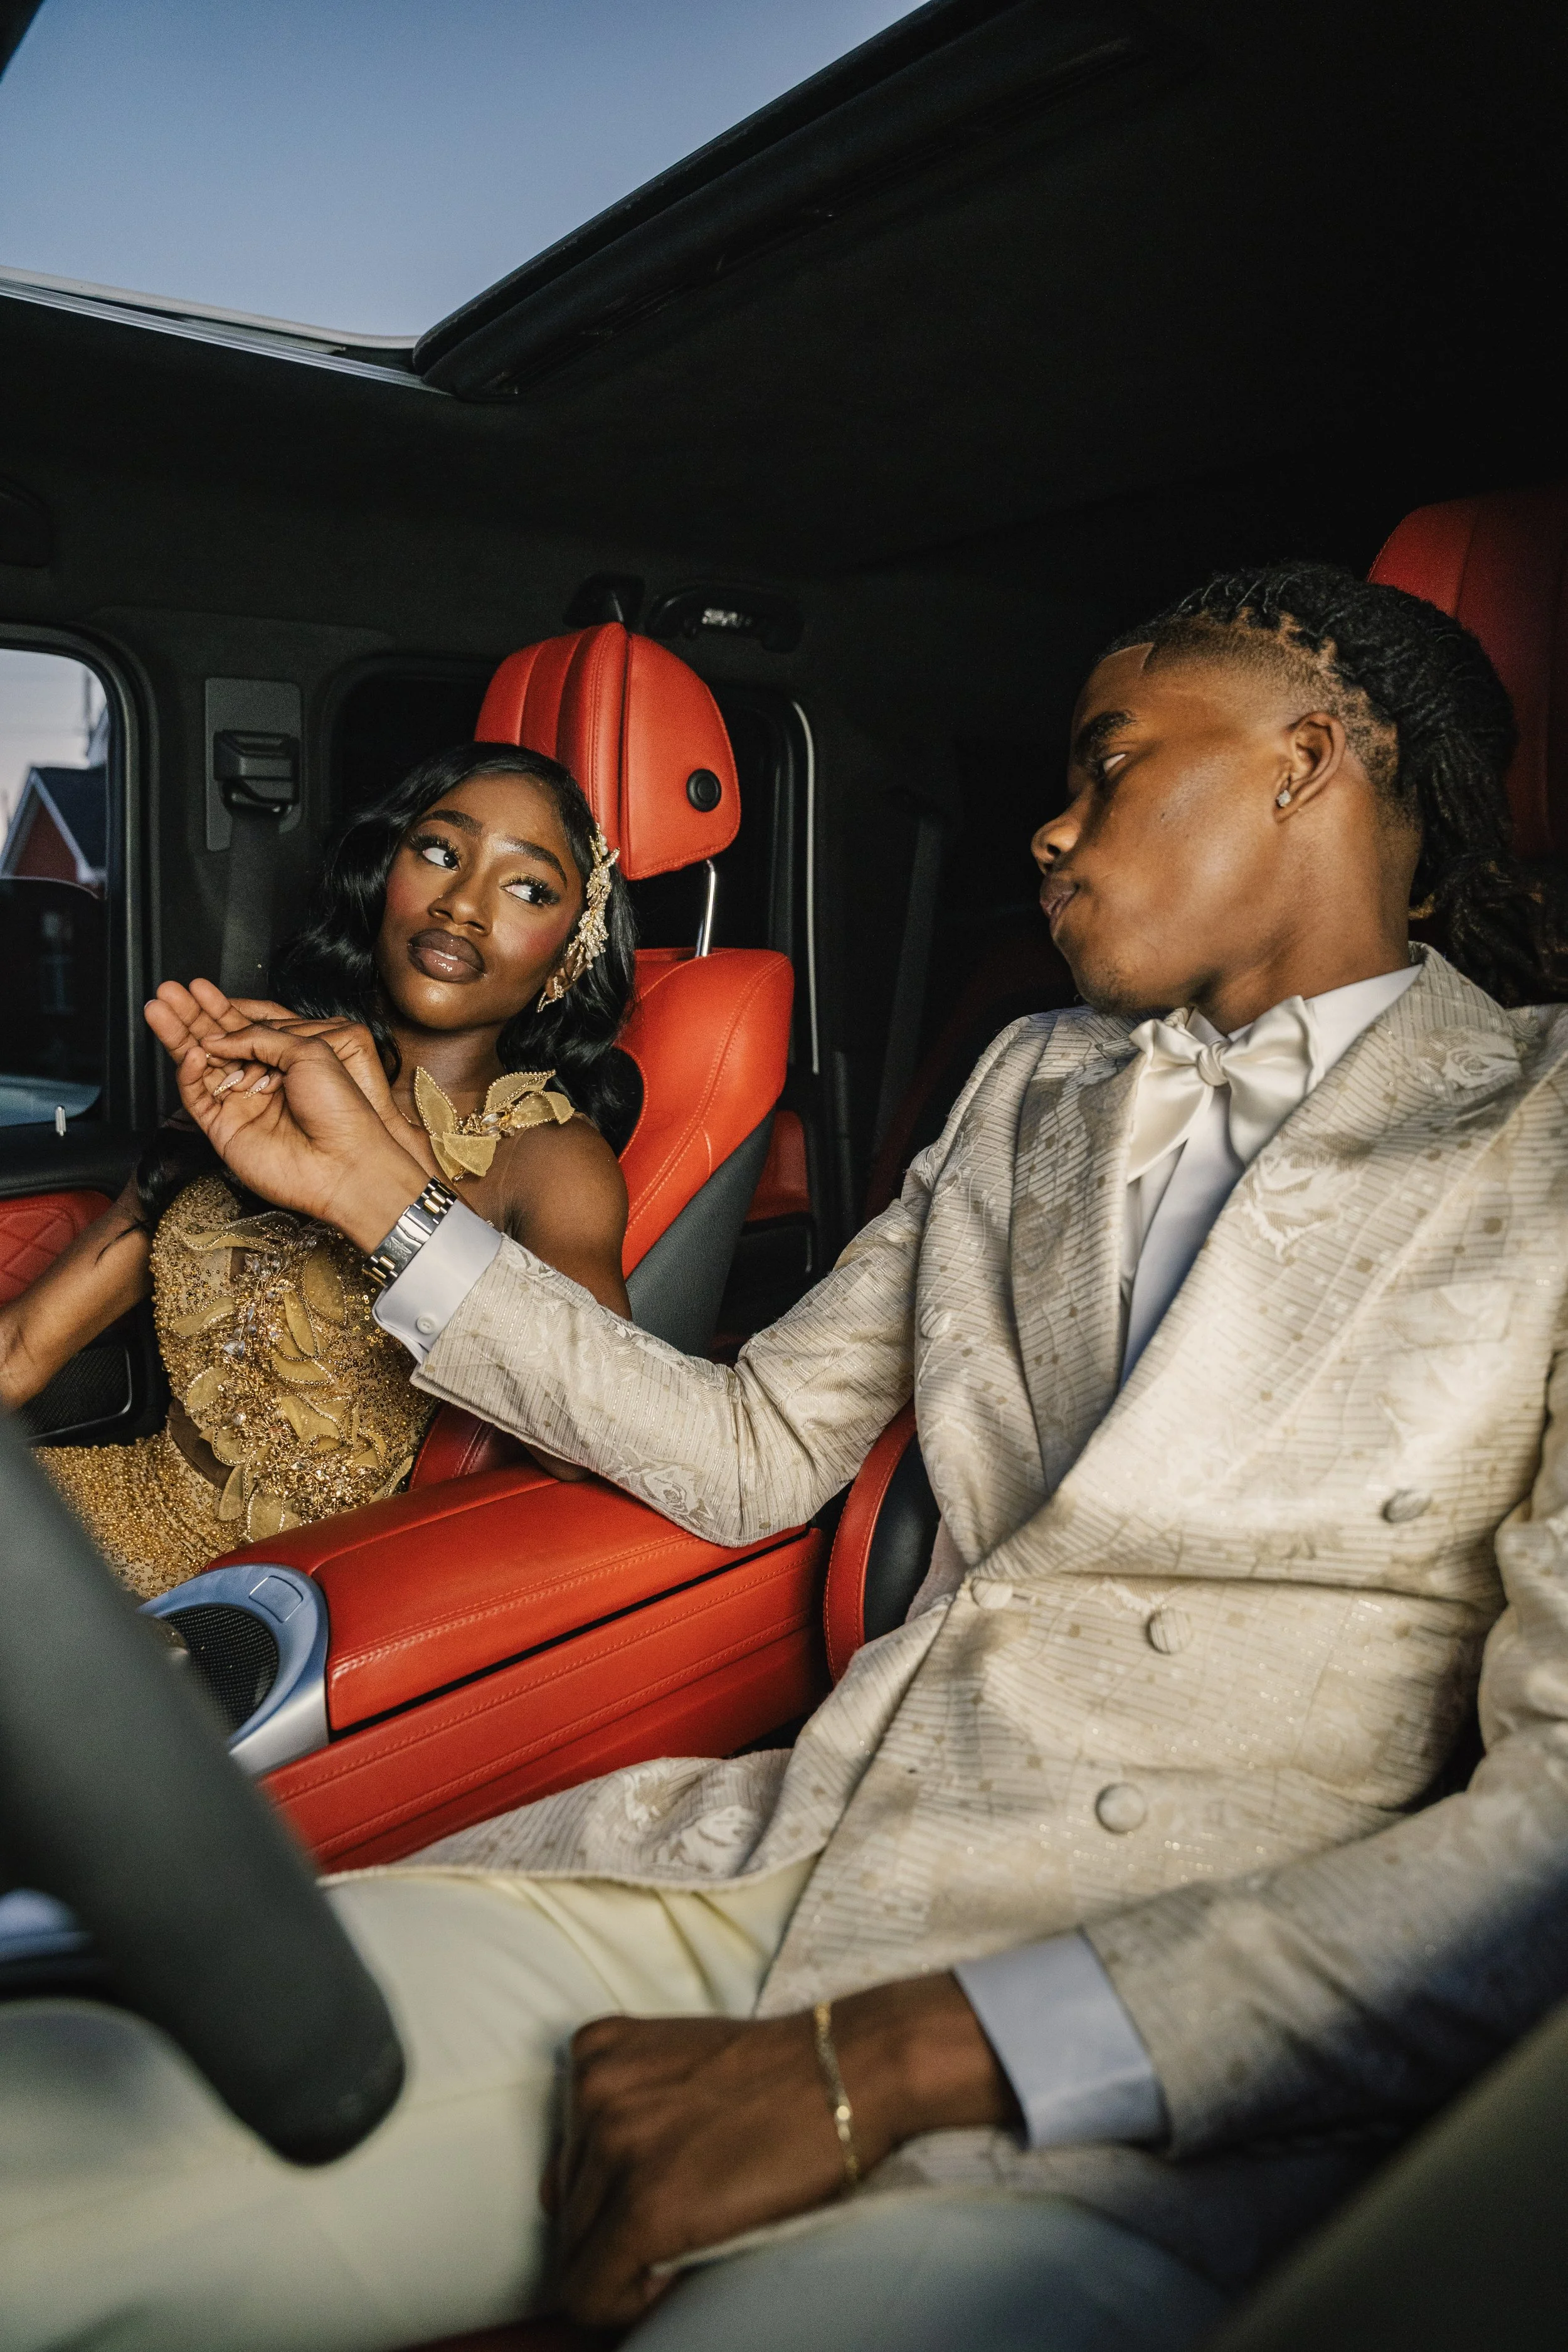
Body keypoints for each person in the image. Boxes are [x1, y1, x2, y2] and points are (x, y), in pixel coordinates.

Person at [10, 563, 1568, 2352]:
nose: (1051, 828)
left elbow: (1540, 1840)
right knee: (79, 2114)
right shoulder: (1032, 1080)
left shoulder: (1533, 1122)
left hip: (1158, 2037)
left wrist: (907, 2054)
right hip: (778, 1865)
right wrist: (380, 1198)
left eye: (1107, 762)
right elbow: (751, 1446)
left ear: (1302, 761)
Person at [0, 743, 637, 1597]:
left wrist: (383, 1158)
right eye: (439, 851)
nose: (463, 903)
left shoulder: (553, 1159)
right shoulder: (263, 1082)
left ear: (566, 958)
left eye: (528, 889)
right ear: (385, 879)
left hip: (284, 1607)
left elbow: (591, 1432)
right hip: (113, 1511)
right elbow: (22, 1347)